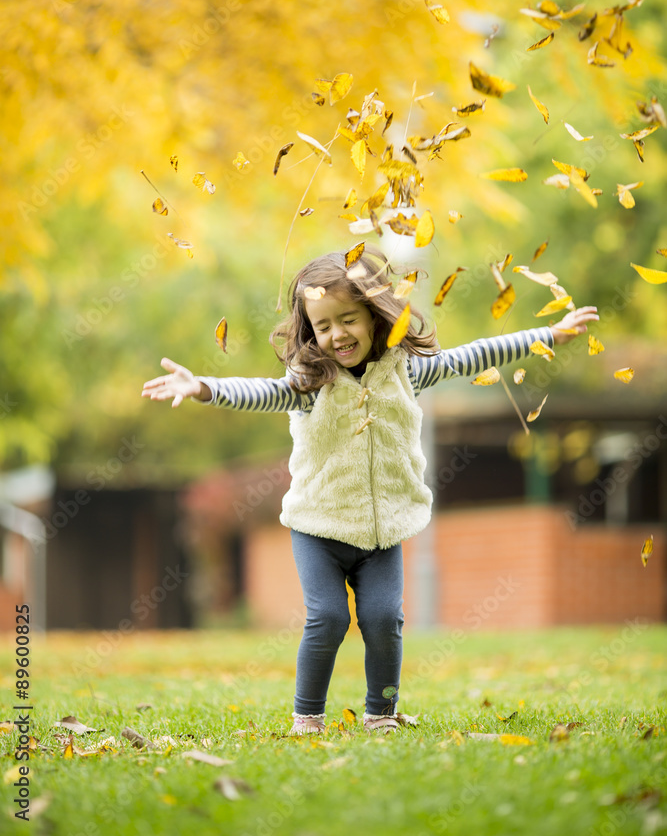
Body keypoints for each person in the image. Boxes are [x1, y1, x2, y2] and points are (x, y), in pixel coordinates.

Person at [141, 246, 598, 736]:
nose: (336, 334)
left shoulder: (407, 369)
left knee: (383, 618)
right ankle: (307, 717)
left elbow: (474, 355)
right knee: (330, 617)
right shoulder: (311, 380)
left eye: (348, 319)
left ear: (376, 316)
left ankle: (381, 714)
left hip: (381, 532)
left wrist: (549, 335)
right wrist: (204, 387)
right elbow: (263, 393)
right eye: (323, 325)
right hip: (318, 527)